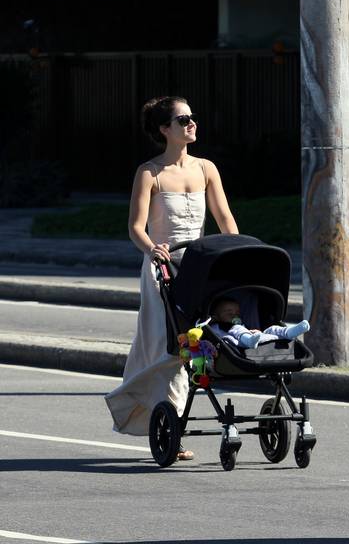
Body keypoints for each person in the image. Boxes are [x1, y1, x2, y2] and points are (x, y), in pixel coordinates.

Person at [105, 96, 238, 460]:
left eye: (192, 118)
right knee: (168, 346)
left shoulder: (206, 168)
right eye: (183, 120)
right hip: (162, 266)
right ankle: (170, 427)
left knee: (197, 341)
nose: (192, 124)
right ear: (165, 129)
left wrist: (236, 252)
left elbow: (226, 220)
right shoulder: (150, 172)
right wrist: (151, 248)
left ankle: (171, 421)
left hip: (199, 264)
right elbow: (135, 226)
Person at [210, 298, 310, 349]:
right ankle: (249, 340)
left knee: (272, 329)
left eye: (237, 313)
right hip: (239, 344)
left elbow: (247, 331)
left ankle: (289, 332)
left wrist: (254, 332)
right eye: (229, 312)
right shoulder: (215, 326)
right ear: (215, 316)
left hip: (255, 338)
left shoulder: (239, 325)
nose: (234, 315)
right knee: (237, 328)